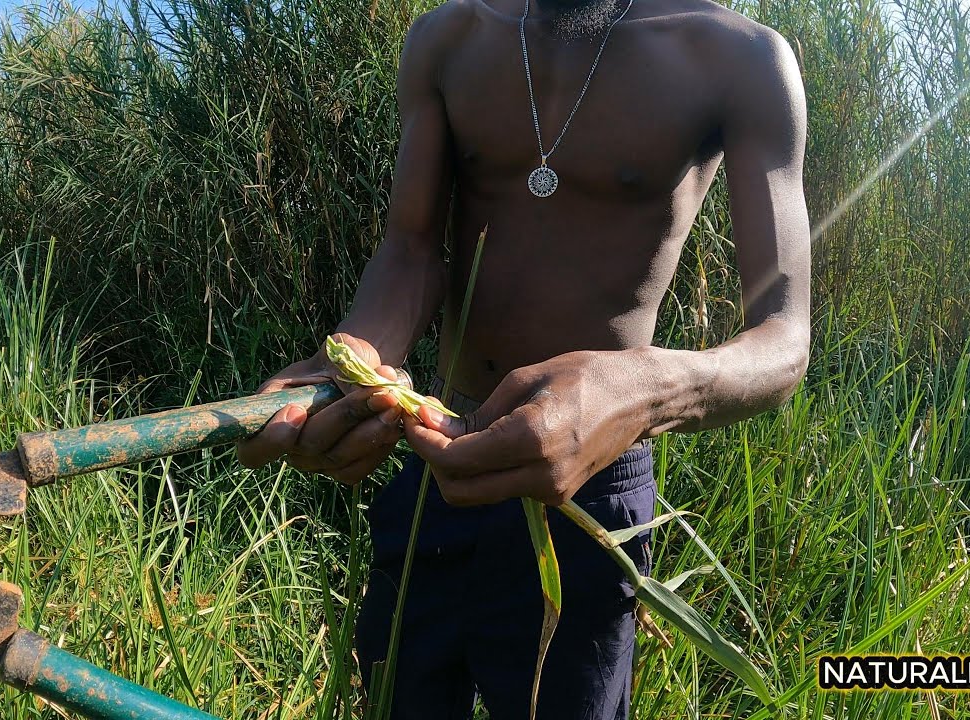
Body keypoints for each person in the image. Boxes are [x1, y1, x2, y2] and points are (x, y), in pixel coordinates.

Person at [236, 0, 810, 716]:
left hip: (588, 498)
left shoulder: (737, 58)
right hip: (436, 459)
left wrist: (638, 392)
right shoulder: (449, 38)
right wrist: (358, 352)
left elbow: (784, 341)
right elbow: (411, 249)